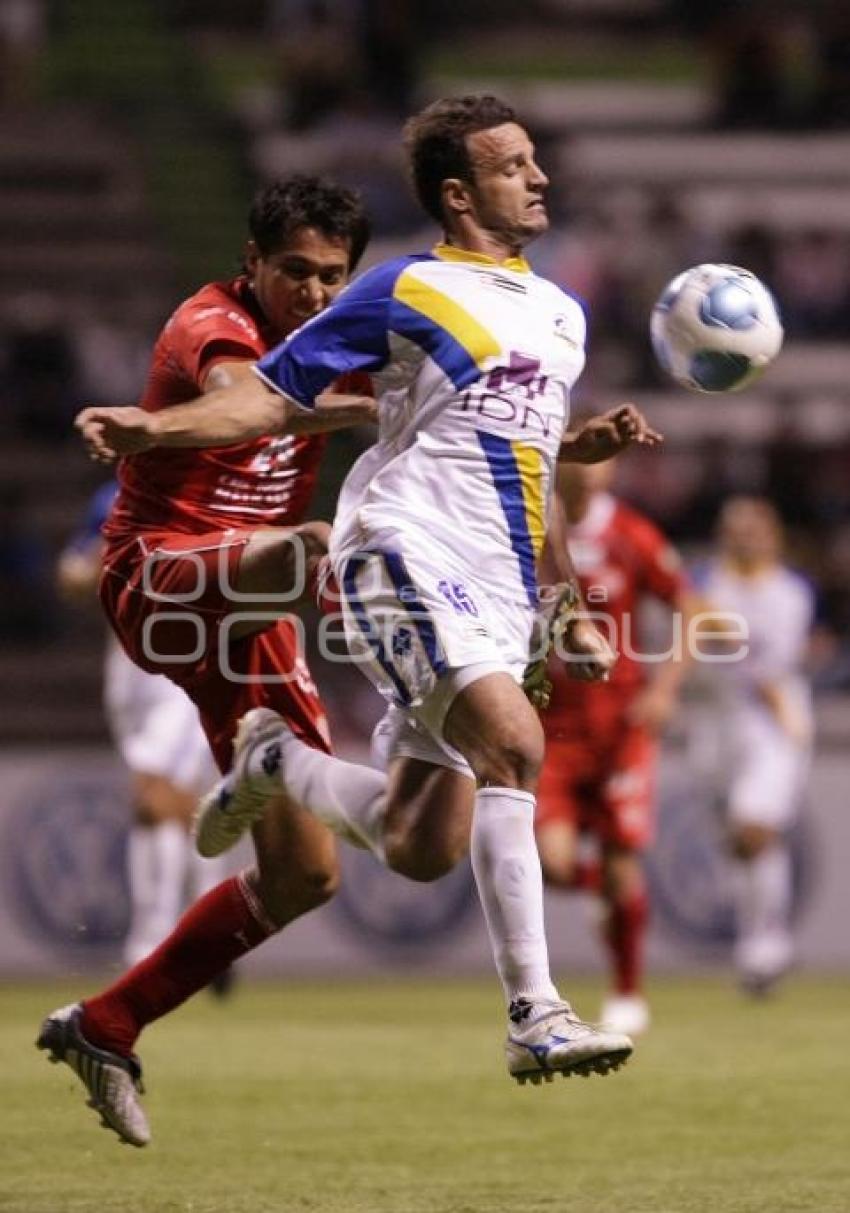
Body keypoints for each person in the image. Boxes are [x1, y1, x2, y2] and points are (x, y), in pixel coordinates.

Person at [76, 96, 665, 1107]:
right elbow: (269, 392)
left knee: (421, 842)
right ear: (456, 191)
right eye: (513, 165)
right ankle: (536, 1015)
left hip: (496, 582)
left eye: (535, 162)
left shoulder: (560, 313)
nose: (539, 179)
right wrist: (153, 429)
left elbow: (528, 464)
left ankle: (278, 761)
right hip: (395, 550)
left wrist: (562, 600)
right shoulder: (403, 289)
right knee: (513, 743)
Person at [37, 175, 375, 1147]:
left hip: (251, 612)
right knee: (313, 545)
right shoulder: (209, 321)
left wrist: (559, 440)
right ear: (253, 262)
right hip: (160, 581)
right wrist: (154, 426)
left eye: (332, 275)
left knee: (307, 875)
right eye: (297, 272)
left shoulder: (342, 337)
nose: (315, 293)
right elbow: (242, 406)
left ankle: (107, 1024)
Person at [534, 458, 695, 1037]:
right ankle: (601, 893)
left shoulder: (630, 533)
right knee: (552, 865)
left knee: (621, 853)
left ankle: (627, 990)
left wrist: (665, 690)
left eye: (601, 459)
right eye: (579, 455)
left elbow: (688, 609)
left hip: (620, 723)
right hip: (550, 724)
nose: (589, 469)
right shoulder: (530, 529)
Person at [57, 481, 229, 974]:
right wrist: (85, 571)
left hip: (183, 658)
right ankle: (211, 926)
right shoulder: (111, 497)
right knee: (181, 799)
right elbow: (74, 573)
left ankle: (151, 944)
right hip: (127, 666)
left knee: (154, 795)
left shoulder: (206, 493)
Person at [689, 496, 814, 995]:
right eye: (733, 528)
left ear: (772, 536)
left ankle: (765, 942)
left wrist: (712, 625)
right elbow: (686, 635)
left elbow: (766, 663)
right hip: (715, 723)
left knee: (754, 825)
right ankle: (760, 938)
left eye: (753, 529)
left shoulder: (790, 593)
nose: (742, 537)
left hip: (769, 720)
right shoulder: (703, 581)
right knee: (737, 841)